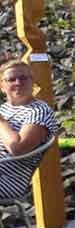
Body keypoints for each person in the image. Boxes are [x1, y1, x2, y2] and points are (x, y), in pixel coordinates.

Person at [0, 59, 62, 197]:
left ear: (32, 82)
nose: (18, 83)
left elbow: (18, 148)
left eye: (23, 78)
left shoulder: (39, 111)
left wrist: (1, 121)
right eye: (11, 79)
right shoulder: (4, 109)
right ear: (2, 86)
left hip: (8, 180)